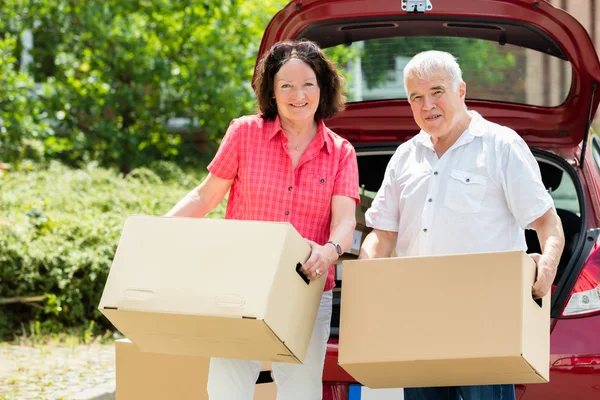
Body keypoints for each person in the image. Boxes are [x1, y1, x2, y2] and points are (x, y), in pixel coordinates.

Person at [359, 50, 565, 400]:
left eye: (436, 91)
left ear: (461, 91)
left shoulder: (501, 146)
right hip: (418, 319)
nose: (427, 106)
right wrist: (368, 282)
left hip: (487, 321)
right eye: (416, 97)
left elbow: (548, 223)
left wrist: (546, 267)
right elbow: (383, 235)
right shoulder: (405, 156)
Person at [166, 39, 359, 400]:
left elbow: (345, 221)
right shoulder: (244, 133)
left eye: (307, 85)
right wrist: (157, 232)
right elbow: (205, 195)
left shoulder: (341, 153)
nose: (297, 95)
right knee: (228, 389)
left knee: (300, 392)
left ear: (323, 88)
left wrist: (330, 251)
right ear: (271, 91)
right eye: (285, 85)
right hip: (241, 283)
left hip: (305, 287)